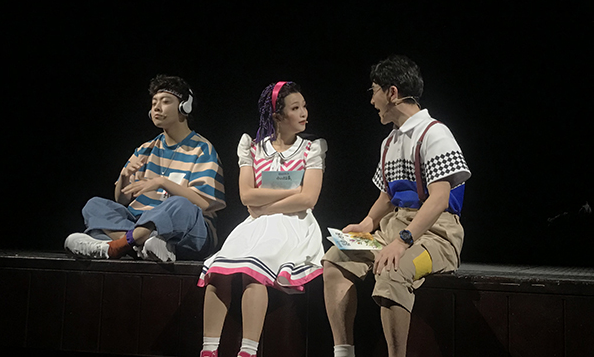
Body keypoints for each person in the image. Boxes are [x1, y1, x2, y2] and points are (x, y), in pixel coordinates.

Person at [322, 55, 471, 357]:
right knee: (336, 258)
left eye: (374, 90)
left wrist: (403, 242)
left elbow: (439, 199)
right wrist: (366, 224)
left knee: (393, 270)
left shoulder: (434, 133)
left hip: (436, 236)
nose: (372, 100)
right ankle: (343, 352)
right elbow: (387, 197)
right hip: (394, 230)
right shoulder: (389, 142)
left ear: (392, 92)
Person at [197, 81, 328, 357]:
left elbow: (308, 199)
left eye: (304, 106)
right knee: (218, 271)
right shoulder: (253, 148)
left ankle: (248, 350)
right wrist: (291, 192)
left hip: (294, 224)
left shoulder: (311, 148)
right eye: (295, 108)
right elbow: (247, 195)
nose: (304, 113)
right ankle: (208, 349)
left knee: (253, 271)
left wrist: (267, 206)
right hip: (255, 225)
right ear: (277, 116)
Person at [64, 75, 226, 262]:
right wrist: (124, 177)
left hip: (187, 229)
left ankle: (114, 246)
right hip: (140, 222)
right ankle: (143, 243)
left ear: (184, 107)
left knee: (180, 204)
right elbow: (122, 200)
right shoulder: (145, 149)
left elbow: (205, 203)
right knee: (94, 205)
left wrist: (162, 182)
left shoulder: (202, 149)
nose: (157, 107)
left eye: (165, 101)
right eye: (154, 102)